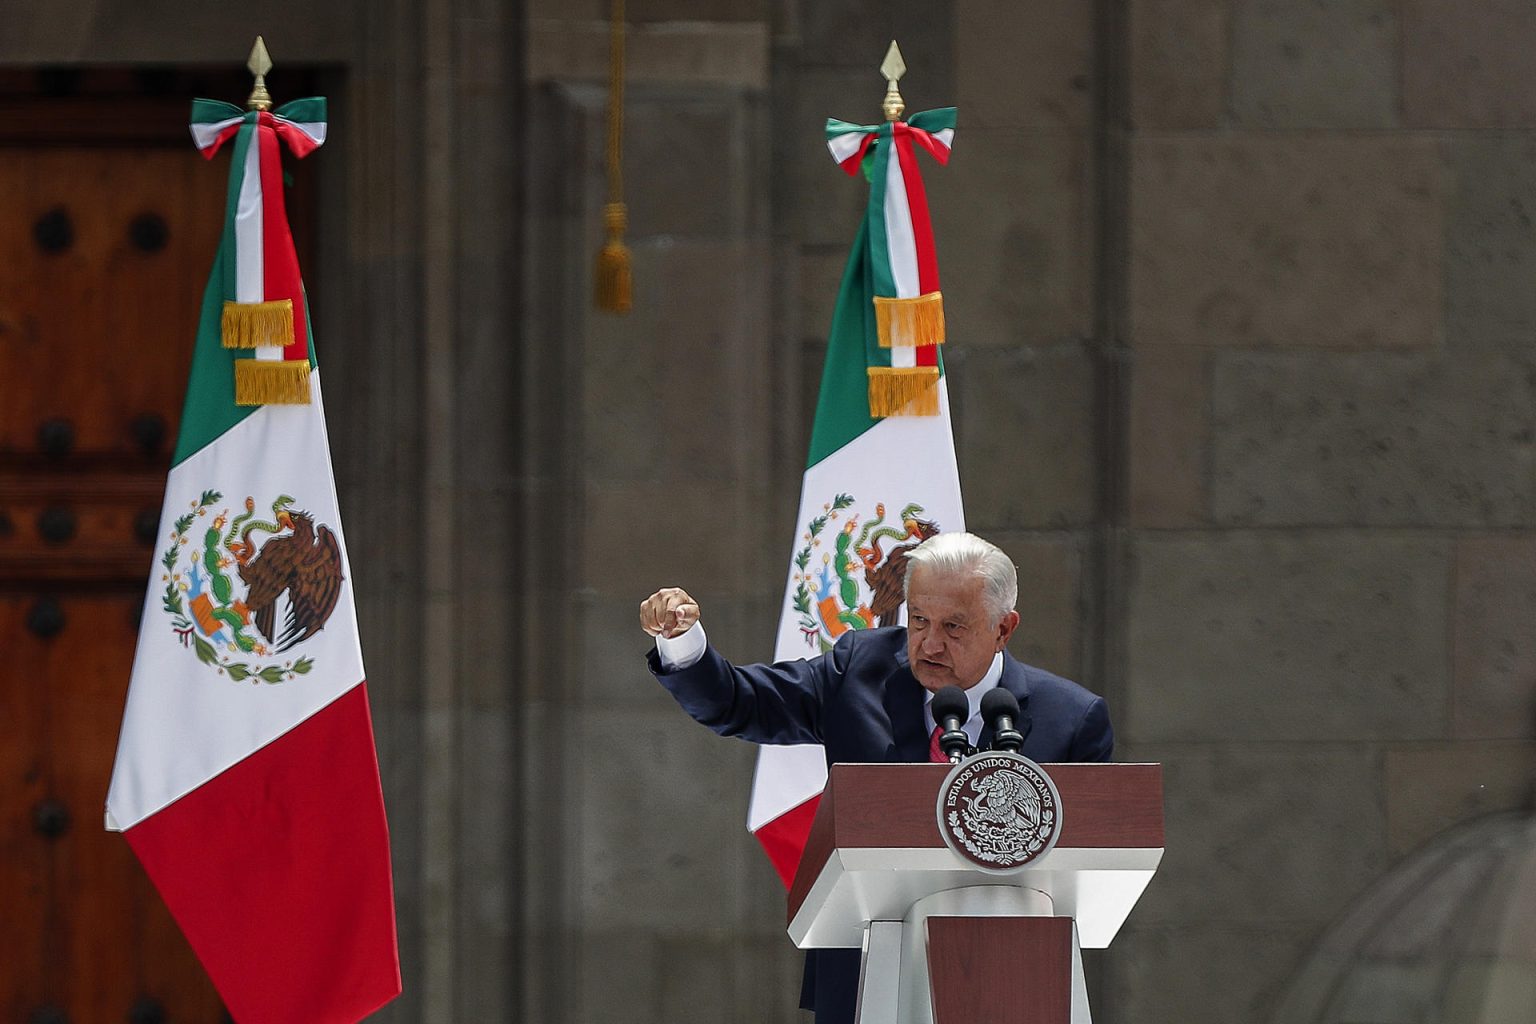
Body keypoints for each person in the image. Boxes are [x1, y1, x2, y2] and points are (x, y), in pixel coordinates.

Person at [639, 531, 1114, 1024]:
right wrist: (682, 645)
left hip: (1011, 978)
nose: (929, 644)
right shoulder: (858, 670)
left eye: (954, 627)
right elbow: (740, 703)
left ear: (1003, 628)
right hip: (866, 974)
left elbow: (1092, 867)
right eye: (919, 621)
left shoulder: (1071, 720)